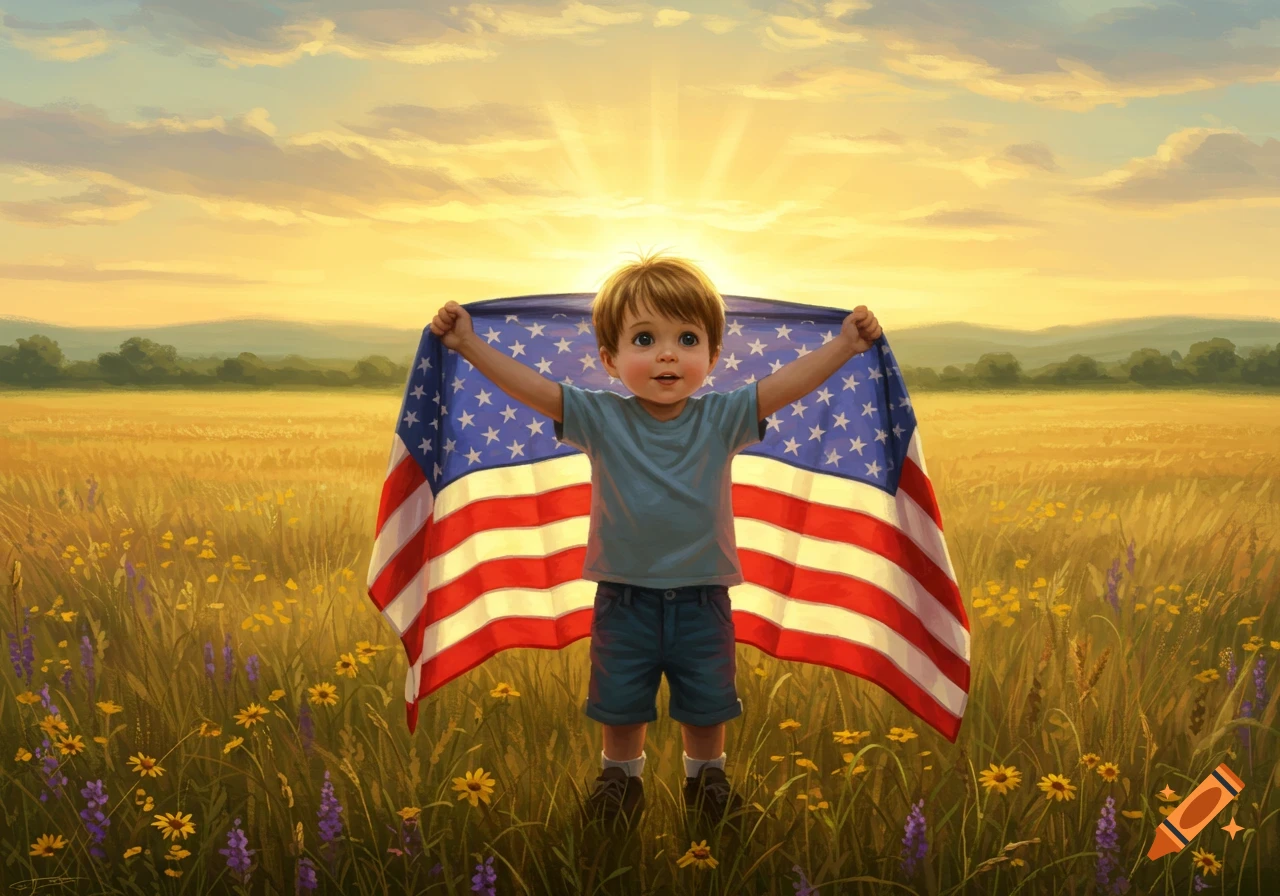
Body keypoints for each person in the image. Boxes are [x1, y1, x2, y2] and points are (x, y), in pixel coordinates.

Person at [429, 249, 882, 828]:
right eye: (644, 339)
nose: (667, 353)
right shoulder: (600, 417)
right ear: (609, 360)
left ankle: (706, 779)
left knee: (707, 700)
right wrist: (467, 344)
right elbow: (535, 389)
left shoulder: (723, 417)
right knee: (619, 702)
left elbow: (785, 386)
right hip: (624, 597)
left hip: (703, 597)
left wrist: (845, 345)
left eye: (687, 339)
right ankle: (620, 781)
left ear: (713, 356)